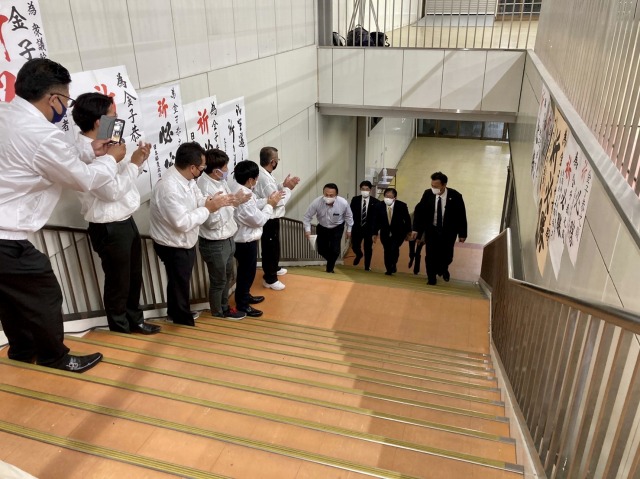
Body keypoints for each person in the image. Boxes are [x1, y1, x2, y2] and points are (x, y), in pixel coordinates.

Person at [0, 58, 127, 373]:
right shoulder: (42, 135)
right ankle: (54, 357)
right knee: (45, 293)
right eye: (66, 101)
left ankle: (22, 350)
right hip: (7, 237)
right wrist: (112, 159)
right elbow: (83, 179)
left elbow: (47, 158)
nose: (65, 109)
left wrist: (90, 151)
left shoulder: (7, 114)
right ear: (53, 98)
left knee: (10, 297)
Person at [71, 92, 160, 335]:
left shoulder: (106, 141)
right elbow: (111, 192)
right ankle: (120, 329)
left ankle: (135, 320)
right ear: (99, 121)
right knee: (118, 281)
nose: (117, 118)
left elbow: (120, 177)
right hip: (108, 226)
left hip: (124, 219)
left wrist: (137, 160)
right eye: (113, 115)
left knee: (133, 276)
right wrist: (133, 164)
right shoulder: (84, 154)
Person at [150, 142, 234, 326]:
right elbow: (182, 223)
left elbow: (198, 198)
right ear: (192, 167)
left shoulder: (186, 179)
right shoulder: (169, 188)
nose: (203, 171)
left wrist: (211, 200)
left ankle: (175, 313)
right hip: (172, 244)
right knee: (180, 281)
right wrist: (209, 209)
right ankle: (182, 320)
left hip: (182, 241)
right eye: (202, 168)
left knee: (178, 281)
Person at [197, 148, 251, 320]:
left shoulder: (220, 181)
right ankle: (218, 312)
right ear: (216, 171)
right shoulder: (205, 187)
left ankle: (225, 307)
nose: (228, 170)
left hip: (228, 238)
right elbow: (212, 222)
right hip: (215, 242)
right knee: (218, 280)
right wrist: (233, 204)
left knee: (227, 276)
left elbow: (228, 204)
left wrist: (236, 200)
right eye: (225, 167)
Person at [228, 160, 283, 317]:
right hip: (244, 241)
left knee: (246, 272)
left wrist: (266, 200)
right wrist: (270, 205)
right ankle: (243, 304)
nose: (257, 181)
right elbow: (259, 220)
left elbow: (254, 203)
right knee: (247, 273)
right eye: (257, 179)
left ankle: (245, 296)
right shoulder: (243, 194)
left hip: (245, 239)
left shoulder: (241, 189)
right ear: (251, 179)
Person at [255, 146, 300, 291]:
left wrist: (283, 185)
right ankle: (270, 278)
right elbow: (278, 201)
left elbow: (273, 190)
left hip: (271, 217)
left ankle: (274, 268)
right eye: (277, 160)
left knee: (274, 246)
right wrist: (289, 188)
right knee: (270, 249)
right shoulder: (264, 178)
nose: (277, 162)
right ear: (273, 162)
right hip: (269, 218)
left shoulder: (265, 174)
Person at [411, 171, 467, 285]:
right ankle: (431, 278)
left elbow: (461, 215)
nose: (433, 188)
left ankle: (443, 268)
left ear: (444, 185)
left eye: (436, 186)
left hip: (448, 232)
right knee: (430, 255)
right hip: (432, 230)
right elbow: (420, 212)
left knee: (447, 256)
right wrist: (416, 229)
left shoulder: (455, 196)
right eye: (432, 185)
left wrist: (462, 234)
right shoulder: (427, 194)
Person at [303, 183, 353, 273]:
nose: (328, 197)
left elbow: (349, 216)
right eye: (326, 195)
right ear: (323, 193)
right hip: (322, 227)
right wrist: (307, 230)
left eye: (331, 195)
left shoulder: (343, 203)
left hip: (337, 227)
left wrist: (349, 230)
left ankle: (329, 269)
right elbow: (307, 217)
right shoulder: (317, 202)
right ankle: (331, 261)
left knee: (335, 250)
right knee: (321, 250)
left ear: (336, 195)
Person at [374, 188, 412, 275]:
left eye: (390, 197)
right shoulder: (379, 206)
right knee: (387, 250)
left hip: (398, 232)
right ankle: (388, 269)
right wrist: (374, 233)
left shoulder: (401, 206)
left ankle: (393, 263)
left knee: (394, 249)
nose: (388, 198)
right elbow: (376, 220)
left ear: (395, 198)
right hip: (385, 232)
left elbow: (407, 219)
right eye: (386, 196)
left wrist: (408, 231)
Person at [349, 180, 380, 271]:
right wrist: (349, 227)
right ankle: (359, 254)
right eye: (363, 189)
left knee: (368, 248)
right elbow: (350, 214)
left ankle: (367, 266)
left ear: (370, 190)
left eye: (367, 189)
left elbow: (377, 219)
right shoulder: (355, 200)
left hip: (369, 229)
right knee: (355, 246)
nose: (365, 191)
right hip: (357, 228)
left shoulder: (376, 202)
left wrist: (375, 232)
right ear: (360, 189)